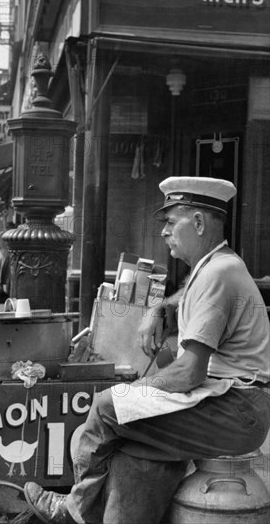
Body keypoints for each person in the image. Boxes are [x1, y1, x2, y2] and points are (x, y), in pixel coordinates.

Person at [24, 176, 270, 524]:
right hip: (233, 405)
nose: (163, 232)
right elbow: (188, 294)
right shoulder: (217, 267)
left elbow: (190, 372)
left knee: (107, 407)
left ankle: (74, 509)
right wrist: (160, 308)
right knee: (133, 451)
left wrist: (134, 393)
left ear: (198, 223)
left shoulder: (218, 274)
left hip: (238, 409)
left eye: (171, 222)